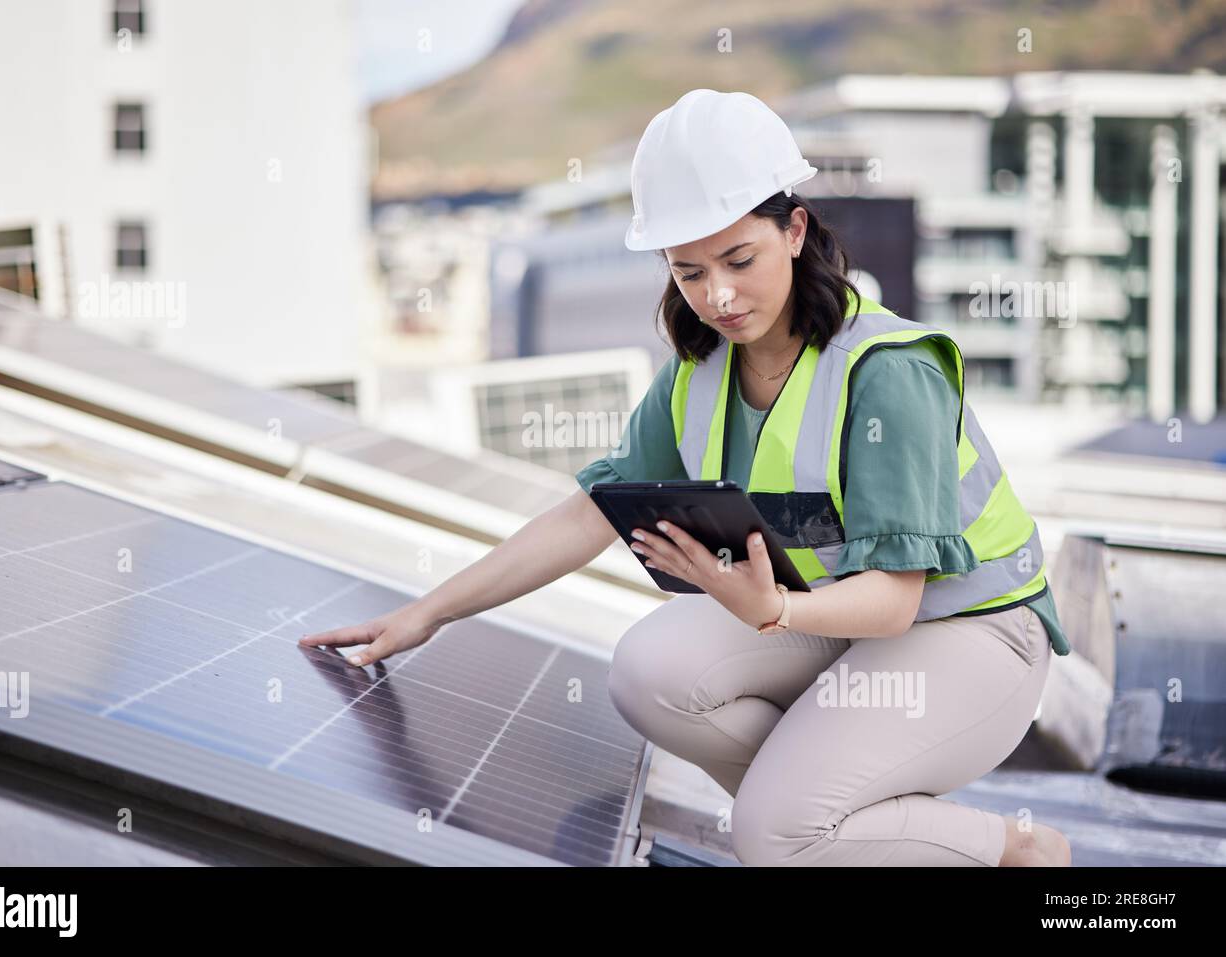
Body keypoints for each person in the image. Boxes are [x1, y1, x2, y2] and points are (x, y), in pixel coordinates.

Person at [301, 88, 1072, 867]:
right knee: (648, 672)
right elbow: (587, 515)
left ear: (795, 230)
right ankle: (844, 824)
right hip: (833, 623)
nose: (721, 297)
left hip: (974, 631)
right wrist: (427, 614)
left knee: (771, 833)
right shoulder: (699, 374)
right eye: (691, 272)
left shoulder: (887, 371)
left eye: (740, 260)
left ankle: (1014, 852)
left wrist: (771, 611)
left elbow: (896, 597)